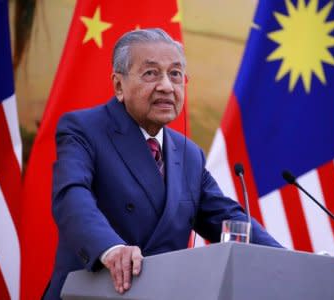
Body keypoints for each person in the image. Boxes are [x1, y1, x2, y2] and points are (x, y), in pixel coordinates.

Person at [44, 28, 282, 299]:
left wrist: (289, 261)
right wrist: (111, 249)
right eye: (151, 73)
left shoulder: (188, 153)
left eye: (175, 74)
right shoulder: (84, 129)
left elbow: (227, 218)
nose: (167, 86)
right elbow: (72, 197)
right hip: (94, 292)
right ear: (119, 85)